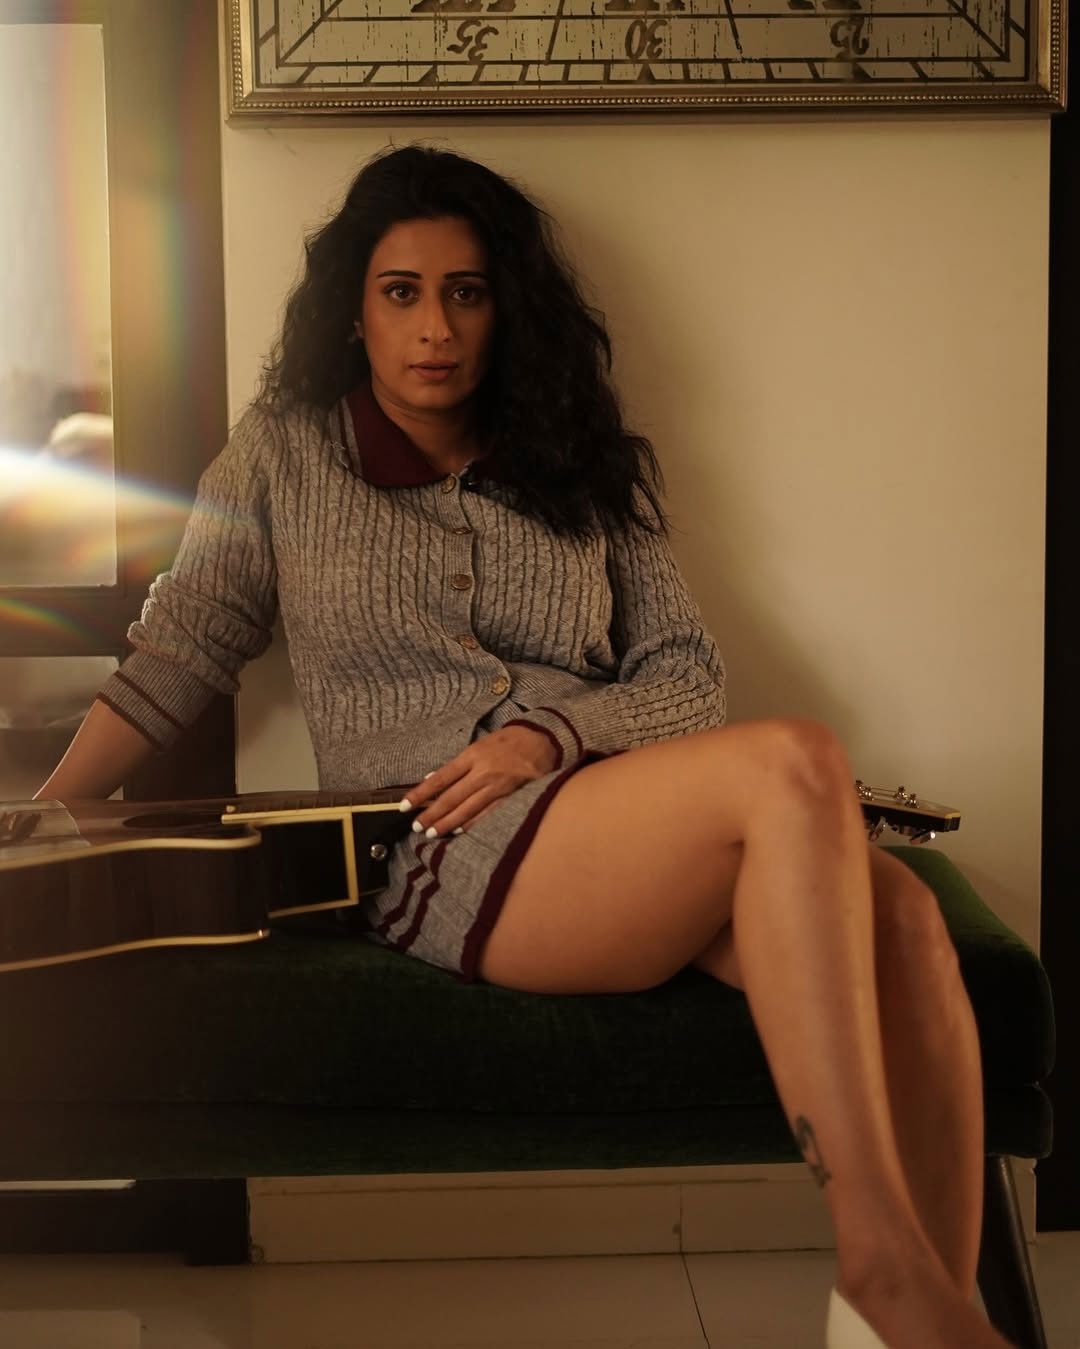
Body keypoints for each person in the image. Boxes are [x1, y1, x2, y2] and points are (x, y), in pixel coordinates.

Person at [35, 143, 1015, 1349]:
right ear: (353, 309)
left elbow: (686, 675)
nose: (435, 328)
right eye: (402, 292)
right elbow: (178, 655)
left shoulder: (581, 458)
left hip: (618, 818)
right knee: (799, 757)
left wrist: (554, 733)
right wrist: (38, 812)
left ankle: (941, 1311)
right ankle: (881, 1270)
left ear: (507, 307)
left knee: (903, 917)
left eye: (467, 291)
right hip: (441, 844)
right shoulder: (283, 455)